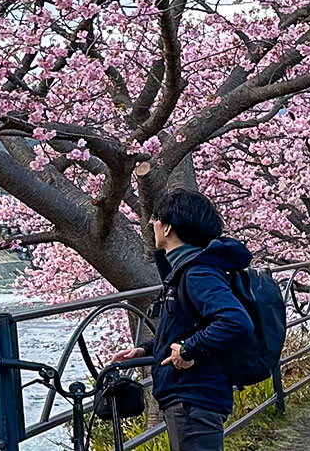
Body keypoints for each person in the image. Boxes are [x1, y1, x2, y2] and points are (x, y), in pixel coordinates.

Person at [111, 189, 252, 451]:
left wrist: (188, 348)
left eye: (156, 219)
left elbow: (235, 320)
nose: (152, 224)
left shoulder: (198, 273)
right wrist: (147, 349)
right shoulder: (185, 269)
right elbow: (188, 325)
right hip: (191, 396)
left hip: (194, 397)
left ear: (168, 228)